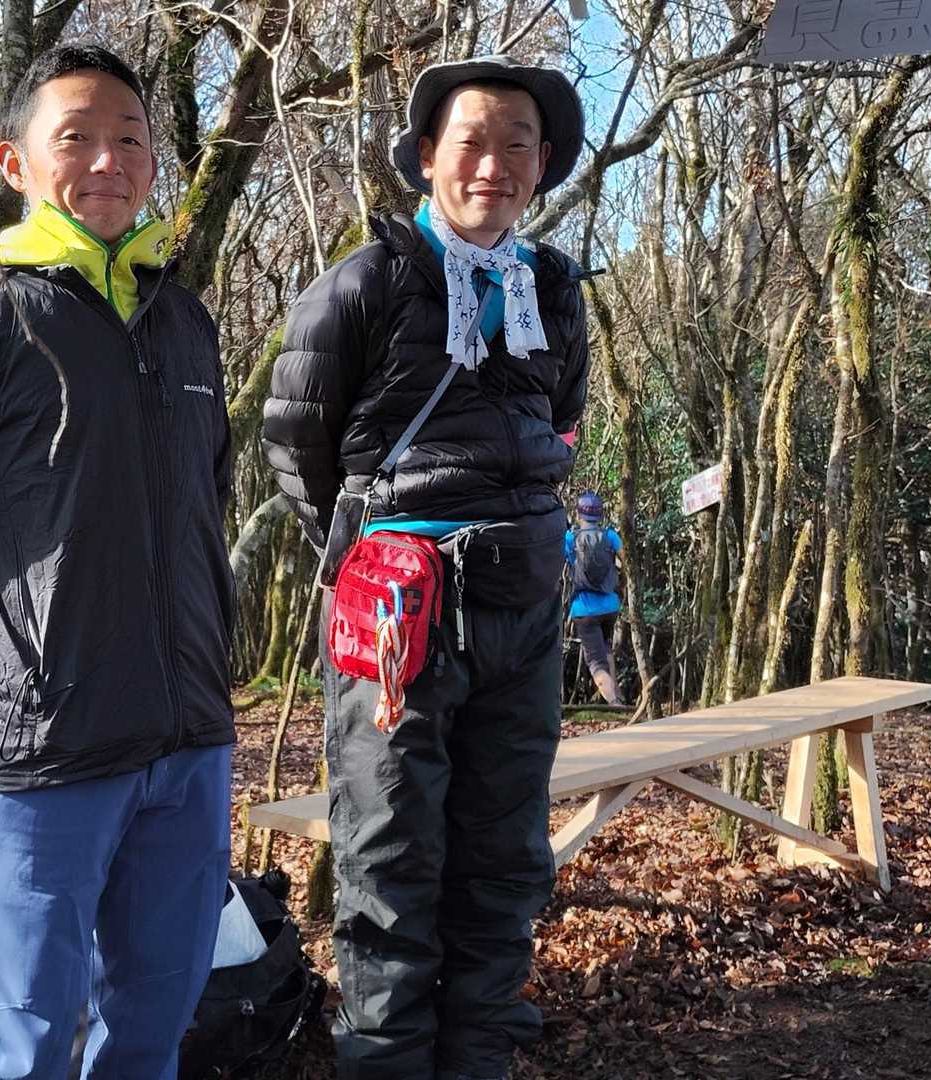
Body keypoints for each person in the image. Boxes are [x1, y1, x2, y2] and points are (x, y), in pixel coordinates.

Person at [0, 44, 235, 1080]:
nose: (108, 160)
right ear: (14, 162)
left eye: (130, 139)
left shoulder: (185, 325)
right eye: (76, 137)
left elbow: (206, 507)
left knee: (152, 1034)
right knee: (22, 1048)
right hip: (44, 756)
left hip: (189, 744)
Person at [261, 56, 590, 1080]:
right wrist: (376, 549)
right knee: (389, 862)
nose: (494, 165)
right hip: (395, 617)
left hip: (522, 609)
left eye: (517, 145)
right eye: (472, 143)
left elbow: (562, 421)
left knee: (506, 862)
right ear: (426, 156)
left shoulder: (553, 289)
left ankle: (478, 1062)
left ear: (543, 163)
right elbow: (296, 443)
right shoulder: (364, 283)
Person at [564, 491, 625, 706]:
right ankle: (617, 697)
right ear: (600, 515)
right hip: (610, 606)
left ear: (578, 514)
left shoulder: (571, 538)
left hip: (584, 609)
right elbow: (625, 562)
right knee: (606, 649)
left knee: (596, 663)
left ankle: (614, 704)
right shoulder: (610, 536)